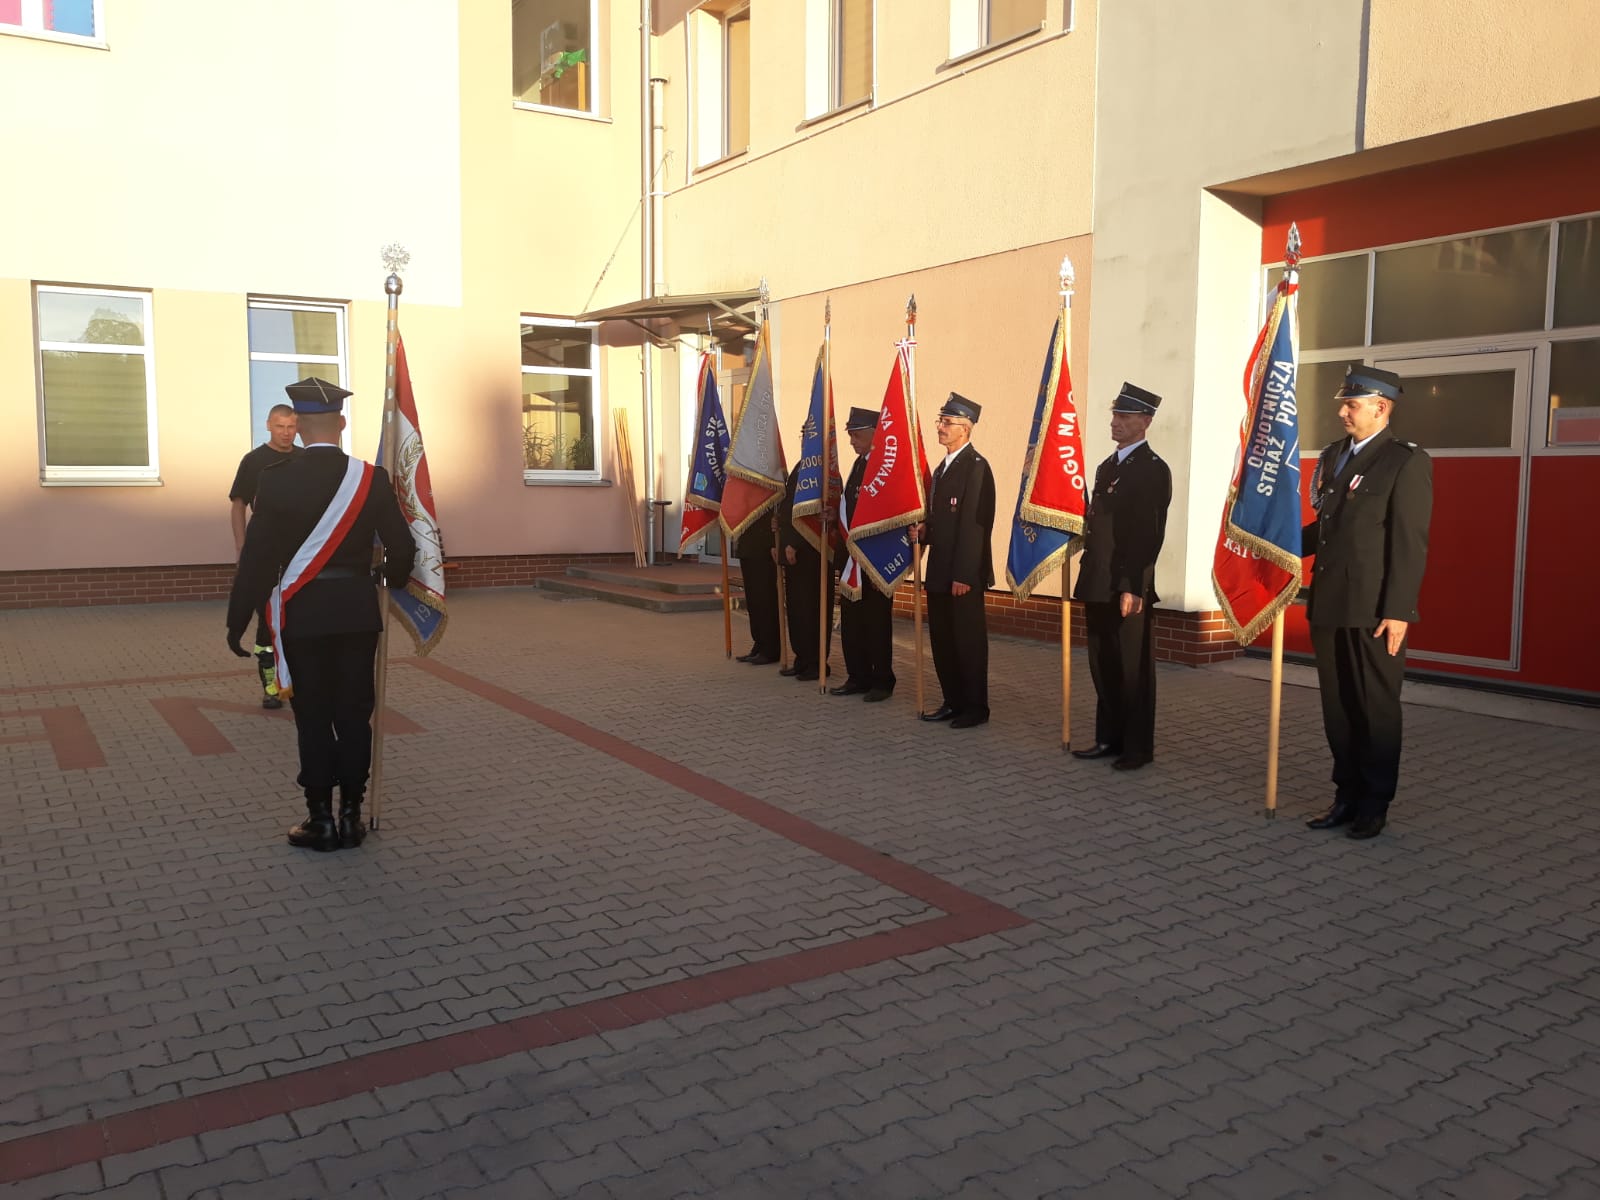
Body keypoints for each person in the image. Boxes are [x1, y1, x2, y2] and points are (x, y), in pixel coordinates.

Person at [226, 378, 416, 852]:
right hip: (356, 612)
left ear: (300, 426)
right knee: (354, 715)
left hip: (303, 614)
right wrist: (386, 579)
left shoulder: (275, 479)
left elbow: (256, 559)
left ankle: (321, 821)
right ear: (342, 424)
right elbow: (403, 547)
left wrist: (237, 620)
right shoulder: (371, 478)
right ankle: (352, 816)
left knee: (312, 716)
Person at [1302, 365, 1433, 842]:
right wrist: (1277, 544)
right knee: (1338, 708)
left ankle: (1374, 803)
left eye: (1352, 405)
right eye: (1344, 404)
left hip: (1374, 610)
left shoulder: (1404, 461)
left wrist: (1399, 611)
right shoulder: (1335, 455)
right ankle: (1346, 795)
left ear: (1381, 407)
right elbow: (1327, 528)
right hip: (1329, 604)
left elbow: (1409, 542)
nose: (1343, 412)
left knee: (1375, 709)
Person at [1072, 382, 1172, 771]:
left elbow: (1147, 535)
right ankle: (1108, 738)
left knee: (1133, 670)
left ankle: (1137, 747)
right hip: (1099, 580)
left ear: (1145, 421)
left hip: (1126, 585)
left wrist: (1134, 586)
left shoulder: (1152, 469)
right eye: (1115, 414)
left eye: (1125, 416)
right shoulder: (1107, 467)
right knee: (1104, 666)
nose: (1116, 422)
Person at [916, 393, 996, 729]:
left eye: (947, 422)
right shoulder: (942, 468)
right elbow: (942, 521)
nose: (940, 427)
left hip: (963, 575)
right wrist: (924, 530)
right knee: (943, 641)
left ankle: (975, 707)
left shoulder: (976, 468)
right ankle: (952, 701)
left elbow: (976, 526)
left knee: (967, 642)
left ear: (966, 428)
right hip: (939, 570)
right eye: (940, 420)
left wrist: (964, 573)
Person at [228, 404, 301, 708]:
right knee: (267, 621)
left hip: (299, 555)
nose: (286, 433)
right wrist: (242, 548)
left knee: (297, 619)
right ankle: (271, 686)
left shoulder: (304, 460)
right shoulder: (254, 461)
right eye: (280, 426)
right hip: (264, 555)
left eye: (291, 427)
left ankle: (296, 680)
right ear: (269, 425)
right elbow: (238, 505)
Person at [834, 407, 896, 702]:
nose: (852, 441)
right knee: (852, 622)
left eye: (857, 435)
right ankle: (857, 676)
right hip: (852, 560)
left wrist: (880, 562)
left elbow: (889, 517)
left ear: (874, 433)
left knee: (876, 623)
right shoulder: (859, 465)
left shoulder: (884, 468)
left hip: (875, 562)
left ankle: (881, 681)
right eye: (850, 435)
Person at [775, 459, 837, 683]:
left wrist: (794, 543)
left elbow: (811, 511)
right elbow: (790, 505)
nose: (804, 442)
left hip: (812, 551)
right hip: (795, 552)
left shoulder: (823, 466)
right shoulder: (802, 464)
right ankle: (801, 659)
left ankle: (816, 662)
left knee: (813, 609)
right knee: (797, 609)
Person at [734, 514, 781, 665]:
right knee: (753, 601)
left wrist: (773, 543)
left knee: (765, 600)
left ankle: (770, 649)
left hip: (764, 548)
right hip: (748, 547)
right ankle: (759, 643)